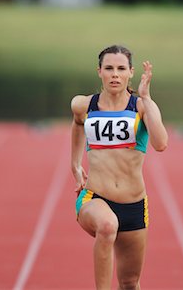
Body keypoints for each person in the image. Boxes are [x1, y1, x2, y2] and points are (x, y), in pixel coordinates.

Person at [71, 45, 168, 289]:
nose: (115, 74)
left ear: (131, 73)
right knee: (107, 225)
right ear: (99, 72)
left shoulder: (142, 107)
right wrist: (75, 163)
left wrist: (146, 97)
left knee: (130, 283)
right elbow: (77, 124)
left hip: (134, 205)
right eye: (109, 68)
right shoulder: (84, 105)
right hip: (95, 198)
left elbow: (161, 144)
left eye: (121, 69)